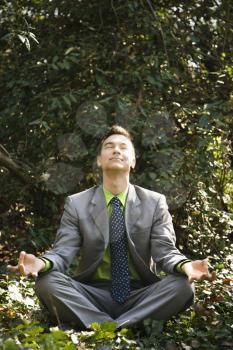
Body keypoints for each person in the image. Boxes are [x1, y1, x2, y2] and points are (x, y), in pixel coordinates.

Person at [7, 125, 215, 330]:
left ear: (133, 161)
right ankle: (121, 326)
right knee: (47, 282)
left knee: (182, 286)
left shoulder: (155, 202)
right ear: (99, 160)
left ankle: (103, 328)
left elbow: (165, 252)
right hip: (92, 294)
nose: (116, 150)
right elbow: (63, 252)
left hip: (140, 295)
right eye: (109, 146)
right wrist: (41, 264)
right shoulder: (77, 204)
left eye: (123, 147)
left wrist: (186, 265)